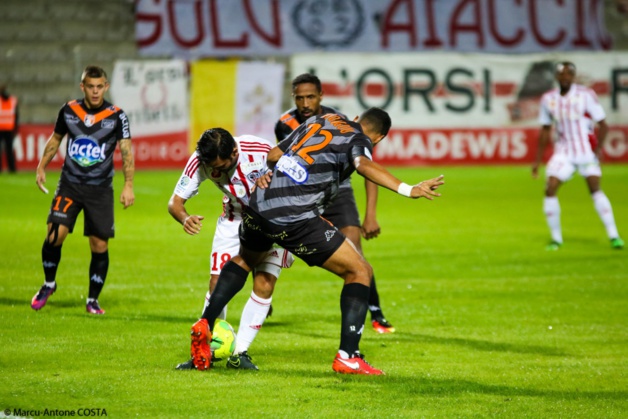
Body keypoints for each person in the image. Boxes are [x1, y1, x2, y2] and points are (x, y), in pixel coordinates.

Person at [189, 108, 445, 375]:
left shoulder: (321, 120)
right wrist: (409, 189)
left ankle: (206, 322)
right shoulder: (360, 140)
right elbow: (363, 165)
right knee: (360, 271)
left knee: (245, 259)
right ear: (379, 138)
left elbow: (273, 155)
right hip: (294, 217)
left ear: (357, 118)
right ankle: (348, 356)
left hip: (258, 204)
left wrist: (270, 174)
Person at [275, 73, 395, 334]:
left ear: (321, 96)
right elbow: (281, 160)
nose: (305, 103)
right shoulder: (284, 124)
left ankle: (375, 312)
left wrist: (370, 214)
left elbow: (367, 167)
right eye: (299, 98)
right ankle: (262, 295)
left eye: (310, 97)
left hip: (338, 193)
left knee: (355, 253)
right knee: (266, 239)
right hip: (300, 193)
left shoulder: (338, 119)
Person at [168, 128, 293, 371]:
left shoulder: (261, 150)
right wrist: (184, 218)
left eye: (223, 167)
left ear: (235, 152)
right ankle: (204, 351)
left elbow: (296, 179)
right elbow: (175, 202)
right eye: (214, 168)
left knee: (265, 283)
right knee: (217, 284)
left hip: (274, 218)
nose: (219, 172)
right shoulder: (201, 159)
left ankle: (240, 354)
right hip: (234, 221)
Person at [31, 65, 135, 315]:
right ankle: (48, 284)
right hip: (70, 185)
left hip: (100, 190)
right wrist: (41, 166)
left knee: (99, 245)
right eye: (90, 86)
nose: (95, 91)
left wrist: (128, 185)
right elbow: (56, 139)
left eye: (100, 87)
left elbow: (126, 151)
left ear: (106, 87)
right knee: (54, 234)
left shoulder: (117, 116)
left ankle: (92, 300)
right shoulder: (69, 110)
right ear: (83, 87)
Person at [532, 61, 624, 251]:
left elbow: (603, 124)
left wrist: (597, 150)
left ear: (574, 77)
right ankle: (556, 239)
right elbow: (545, 129)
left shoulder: (585, 95)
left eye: (569, 74)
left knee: (595, 188)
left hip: (585, 152)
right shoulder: (548, 99)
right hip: (564, 152)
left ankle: (614, 235)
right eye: (562, 74)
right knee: (550, 188)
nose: (565, 77)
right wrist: (537, 160)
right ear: (556, 77)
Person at [0, 84, 19, 173]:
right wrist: (15, 128)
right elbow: (16, 116)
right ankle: (12, 168)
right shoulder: (13, 100)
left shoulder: (13, 100)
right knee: (9, 150)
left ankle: (11, 168)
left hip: (7, 129)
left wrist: (15, 128)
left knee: (9, 150)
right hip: (6, 129)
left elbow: (16, 116)